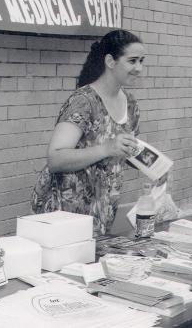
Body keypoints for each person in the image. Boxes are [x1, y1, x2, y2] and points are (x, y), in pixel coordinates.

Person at [31, 29, 145, 235]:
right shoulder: (83, 101)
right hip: (64, 216)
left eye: (141, 61)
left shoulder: (131, 104)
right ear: (110, 61)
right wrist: (106, 148)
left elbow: (124, 153)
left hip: (102, 210)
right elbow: (55, 158)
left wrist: (154, 168)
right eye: (132, 61)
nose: (139, 68)